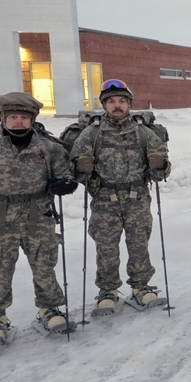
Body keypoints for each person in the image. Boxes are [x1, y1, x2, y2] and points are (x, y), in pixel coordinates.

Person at [0, 93, 78, 340]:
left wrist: (65, 184)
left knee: (44, 265)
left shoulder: (49, 148)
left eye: (24, 117)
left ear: (32, 119)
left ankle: (49, 308)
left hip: (38, 214)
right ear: (2, 118)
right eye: (13, 117)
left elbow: (67, 174)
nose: (18, 122)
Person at [71, 79, 170, 312]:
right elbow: (74, 171)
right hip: (105, 200)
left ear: (129, 104)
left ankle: (141, 287)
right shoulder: (90, 134)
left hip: (137, 199)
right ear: (104, 104)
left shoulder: (145, 133)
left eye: (122, 101)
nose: (117, 105)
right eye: (112, 101)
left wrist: (160, 165)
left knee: (139, 246)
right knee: (106, 248)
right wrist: (80, 168)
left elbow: (162, 172)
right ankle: (108, 291)